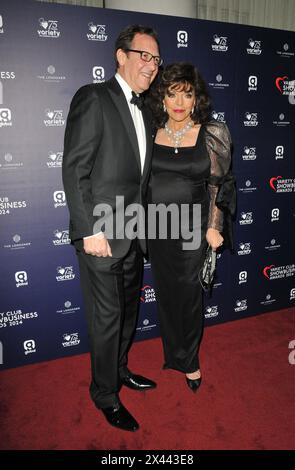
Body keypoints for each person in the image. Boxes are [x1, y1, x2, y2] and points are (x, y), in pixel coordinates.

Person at [62, 25, 162, 432]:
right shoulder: (94, 98)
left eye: (156, 59)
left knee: (126, 315)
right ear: (120, 55)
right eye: (144, 55)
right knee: (106, 319)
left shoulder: (147, 109)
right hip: (100, 237)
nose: (151, 65)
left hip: (133, 235)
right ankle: (104, 394)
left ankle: (119, 371)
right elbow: (75, 169)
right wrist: (89, 231)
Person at [147, 62, 235, 392]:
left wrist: (215, 226)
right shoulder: (151, 131)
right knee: (167, 295)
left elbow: (219, 184)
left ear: (196, 99)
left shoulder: (212, 133)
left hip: (193, 229)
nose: (180, 102)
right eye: (172, 95)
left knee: (189, 297)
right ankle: (174, 354)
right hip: (156, 228)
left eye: (187, 94)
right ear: (163, 99)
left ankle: (190, 360)